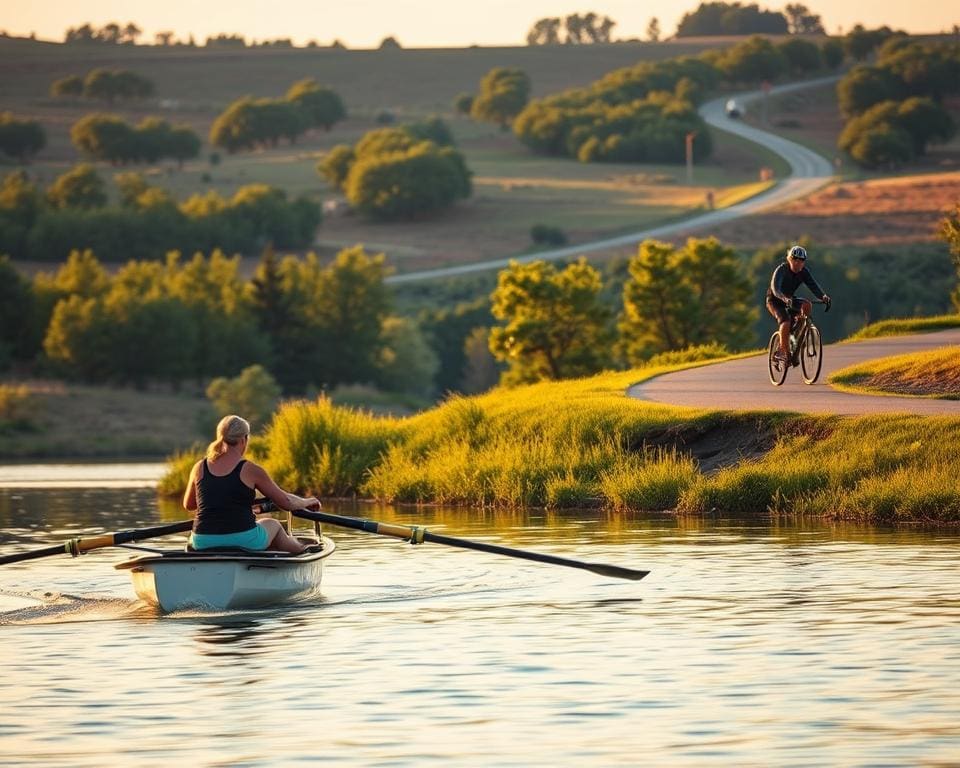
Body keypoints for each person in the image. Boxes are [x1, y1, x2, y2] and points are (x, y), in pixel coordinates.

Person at [182, 415, 320, 553]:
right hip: (244, 540)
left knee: (261, 530)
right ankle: (302, 551)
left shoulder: (199, 467)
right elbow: (287, 502)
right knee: (273, 524)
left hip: (202, 541)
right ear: (244, 439)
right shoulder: (251, 469)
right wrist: (308, 501)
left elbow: (189, 505)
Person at [766, 245, 831, 366]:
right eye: (795, 259)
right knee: (785, 321)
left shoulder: (804, 272)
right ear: (789, 259)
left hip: (789, 299)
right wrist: (784, 298)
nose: (798, 263)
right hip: (775, 300)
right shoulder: (781, 270)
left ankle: (797, 339)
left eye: (801, 261)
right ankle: (783, 351)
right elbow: (775, 289)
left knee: (807, 305)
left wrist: (823, 296)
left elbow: (813, 285)